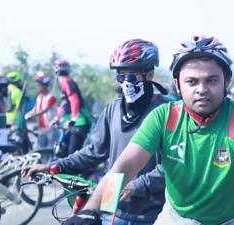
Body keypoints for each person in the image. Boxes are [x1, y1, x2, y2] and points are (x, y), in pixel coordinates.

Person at [58, 35, 234, 225]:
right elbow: (122, 168)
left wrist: (139, 187)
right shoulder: (163, 115)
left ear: (226, 81)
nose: (201, 89)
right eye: (191, 81)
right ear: (177, 84)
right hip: (175, 217)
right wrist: (92, 210)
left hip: (225, 220)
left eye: (211, 80)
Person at [22, 39, 168, 225]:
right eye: (121, 77)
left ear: (149, 74)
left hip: (150, 214)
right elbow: (94, 151)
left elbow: (173, 164)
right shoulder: (112, 110)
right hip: (110, 203)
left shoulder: (166, 111)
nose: (126, 83)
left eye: (132, 76)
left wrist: (140, 185)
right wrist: (54, 166)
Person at [51, 59, 92, 157]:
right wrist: (56, 118)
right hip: (71, 122)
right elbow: (64, 103)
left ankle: (84, 171)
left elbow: (74, 99)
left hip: (79, 122)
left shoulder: (65, 80)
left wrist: (74, 118)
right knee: (64, 151)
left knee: (72, 154)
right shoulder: (64, 81)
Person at [25, 73, 58, 148]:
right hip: (42, 129)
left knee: (50, 149)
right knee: (40, 150)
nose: (37, 87)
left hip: (50, 129)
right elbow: (35, 109)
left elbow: (45, 110)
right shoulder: (39, 97)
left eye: (39, 85)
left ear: (45, 85)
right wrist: (26, 115)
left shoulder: (51, 97)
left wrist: (32, 116)